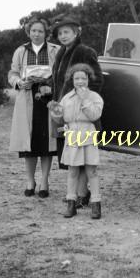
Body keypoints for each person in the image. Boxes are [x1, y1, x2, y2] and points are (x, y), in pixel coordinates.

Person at [50, 16, 103, 206]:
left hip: (84, 115)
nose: (63, 36)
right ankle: (79, 192)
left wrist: (84, 99)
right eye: (60, 33)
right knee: (72, 156)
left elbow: (96, 80)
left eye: (66, 32)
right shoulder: (60, 53)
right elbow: (58, 81)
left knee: (83, 155)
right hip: (66, 114)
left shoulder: (85, 51)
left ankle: (81, 194)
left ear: (76, 32)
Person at [8, 16, 60, 197]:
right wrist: (18, 82)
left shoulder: (55, 50)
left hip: (48, 99)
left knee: (47, 143)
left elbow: (60, 73)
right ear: (28, 32)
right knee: (28, 143)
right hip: (27, 99)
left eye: (40, 31)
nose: (36, 34)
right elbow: (13, 73)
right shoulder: (20, 51)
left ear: (46, 33)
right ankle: (30, 180)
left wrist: (50, 84)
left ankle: (45, 181)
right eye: (33, 31)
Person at [49, 63, 104, 219]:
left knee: (91, 171)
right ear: (72, 80)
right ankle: (71, 204)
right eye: (76, 78)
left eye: (83, 78)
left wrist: (84, 99)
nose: (80, 81)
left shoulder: (95, 97)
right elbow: (62, 119)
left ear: (88, 79)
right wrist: (55, 111)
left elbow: (94, 115)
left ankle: (96, 204)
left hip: (88, 135)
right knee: (72, 171)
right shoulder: (67, 97)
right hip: (73, 135)